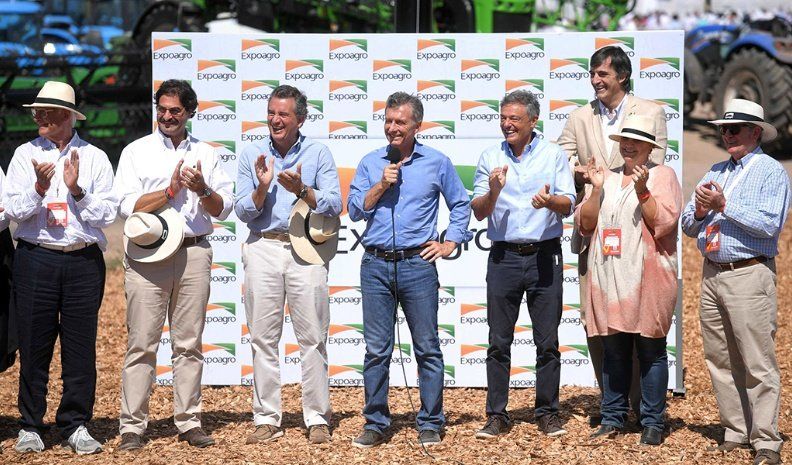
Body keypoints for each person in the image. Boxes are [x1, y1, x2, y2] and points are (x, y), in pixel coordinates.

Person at [114, 79, 234, 450]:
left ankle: (189, 421)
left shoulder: (207, 153)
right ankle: (132, 426)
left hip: (193, 251)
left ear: (190, 112)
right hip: (146, 255)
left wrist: (201, 189)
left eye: (175, 111)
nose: (167, 116)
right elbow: (126, 206)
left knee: (189, 344)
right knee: (141, 343)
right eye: (162, 109)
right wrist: (169, 192)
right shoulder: (136, 151)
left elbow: (223, 209)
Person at [347, 92, 471, 448]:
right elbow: (354, 210)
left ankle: (430, 421)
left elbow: (461, 204)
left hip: (418, 265)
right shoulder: (370, 162)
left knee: (427, 348)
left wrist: (450, 242)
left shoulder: (437, 162)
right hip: (375, 265)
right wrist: (381, 184)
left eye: (400, 122)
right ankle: (375, 422)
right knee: (376, 350)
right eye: (388, 121)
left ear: (417, 125)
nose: (392, 127)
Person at [4, 81, 117, 454]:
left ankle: (75, 424)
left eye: (46, 111)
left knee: (80, 347)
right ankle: (30, 425)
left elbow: (108, 214)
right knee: (34, 345)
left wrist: (77, 191)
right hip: (36, 257)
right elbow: (12, 211)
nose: (38, 116)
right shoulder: (24, 154)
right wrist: (39, 188)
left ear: (67, 116)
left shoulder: (95, 157)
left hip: (83, 260)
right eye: (36, 111)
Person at [557, 45, 667, 422]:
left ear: (622, 76)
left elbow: (656, 163)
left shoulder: (651, 111)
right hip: (593, 227)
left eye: (602, 74)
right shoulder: (579, 117)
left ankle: (641, 406)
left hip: (636, 228)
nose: (595, 80)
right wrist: (581, 173)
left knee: (637, 317)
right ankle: (613, 406)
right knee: (597, 319)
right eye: (592, 73)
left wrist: (620, 180)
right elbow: (561, 161)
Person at [682, 98, 790, 465]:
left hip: (749, 272)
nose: (727, 135)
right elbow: (687, 225)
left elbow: (769, 225)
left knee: (757, 360)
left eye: (734, 129)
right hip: (713, 272)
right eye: (723, 129)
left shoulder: (771, 171)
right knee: (720, 357)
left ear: (755, 132)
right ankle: (736, 430)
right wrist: (700, 211)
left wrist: (724, 205)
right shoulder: (715, 170)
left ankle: (767, 440)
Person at [234, 84, 341, 444]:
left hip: (306, 251)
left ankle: (317, 418)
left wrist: (302, 191)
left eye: (283, 114)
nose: (275, 120)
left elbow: (334, 204)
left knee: (313, 338)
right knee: (263, 339)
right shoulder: (252, 153)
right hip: (263, 245)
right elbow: (242, 211)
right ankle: (266, 418)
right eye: (271, 113)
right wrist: (262, 188)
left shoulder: (318, 153)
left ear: (301, 119)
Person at [472, 90, 576, 439]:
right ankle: (496, 415)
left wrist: (549, 201)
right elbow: (479, 211)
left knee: (547, 342)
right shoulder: (490, 156)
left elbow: (568, 204)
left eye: (514, 118)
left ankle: (547, 413)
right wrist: (493, 191)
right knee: (498, 342)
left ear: (533, 120)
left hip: (544, 255)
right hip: (503, 258)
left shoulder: (553, 154)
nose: (507, 124)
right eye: (503, 118)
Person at [577, 115, 682, 445]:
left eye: (636, 141)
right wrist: (595, 189)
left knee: (650, 349)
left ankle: (652, 422)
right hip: (609, 278)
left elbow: (662, 223)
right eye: (625, 139)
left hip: (647, 278)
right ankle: (612, 417)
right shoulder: (605, 177)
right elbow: (586, 224)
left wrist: (642, 190)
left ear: (650, 147)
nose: (629, 145)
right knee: (613, 350)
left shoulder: (663, 175)